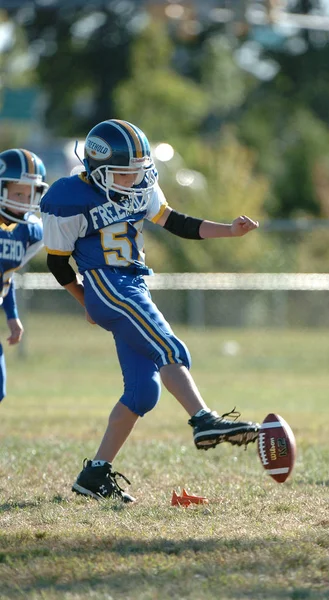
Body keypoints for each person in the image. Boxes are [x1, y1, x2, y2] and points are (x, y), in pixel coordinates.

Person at [41, 119, 260, 503]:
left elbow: (175, 222)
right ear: (97, 169)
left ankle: (94, 475)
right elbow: (58, 264)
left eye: (137, 172)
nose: (133, 180)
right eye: (123, 174)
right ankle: (203, 420)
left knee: (143, 393)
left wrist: (229, 229)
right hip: (106, 284)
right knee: (170, 348)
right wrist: (85, 302)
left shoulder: (140, 187)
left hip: (133, 285)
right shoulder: (69, 197)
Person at [0, 148, 48, 402]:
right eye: (18, 193)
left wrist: (12, 316)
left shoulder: (29, 231)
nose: (24, 201)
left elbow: (6, 276)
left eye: (30, 194)